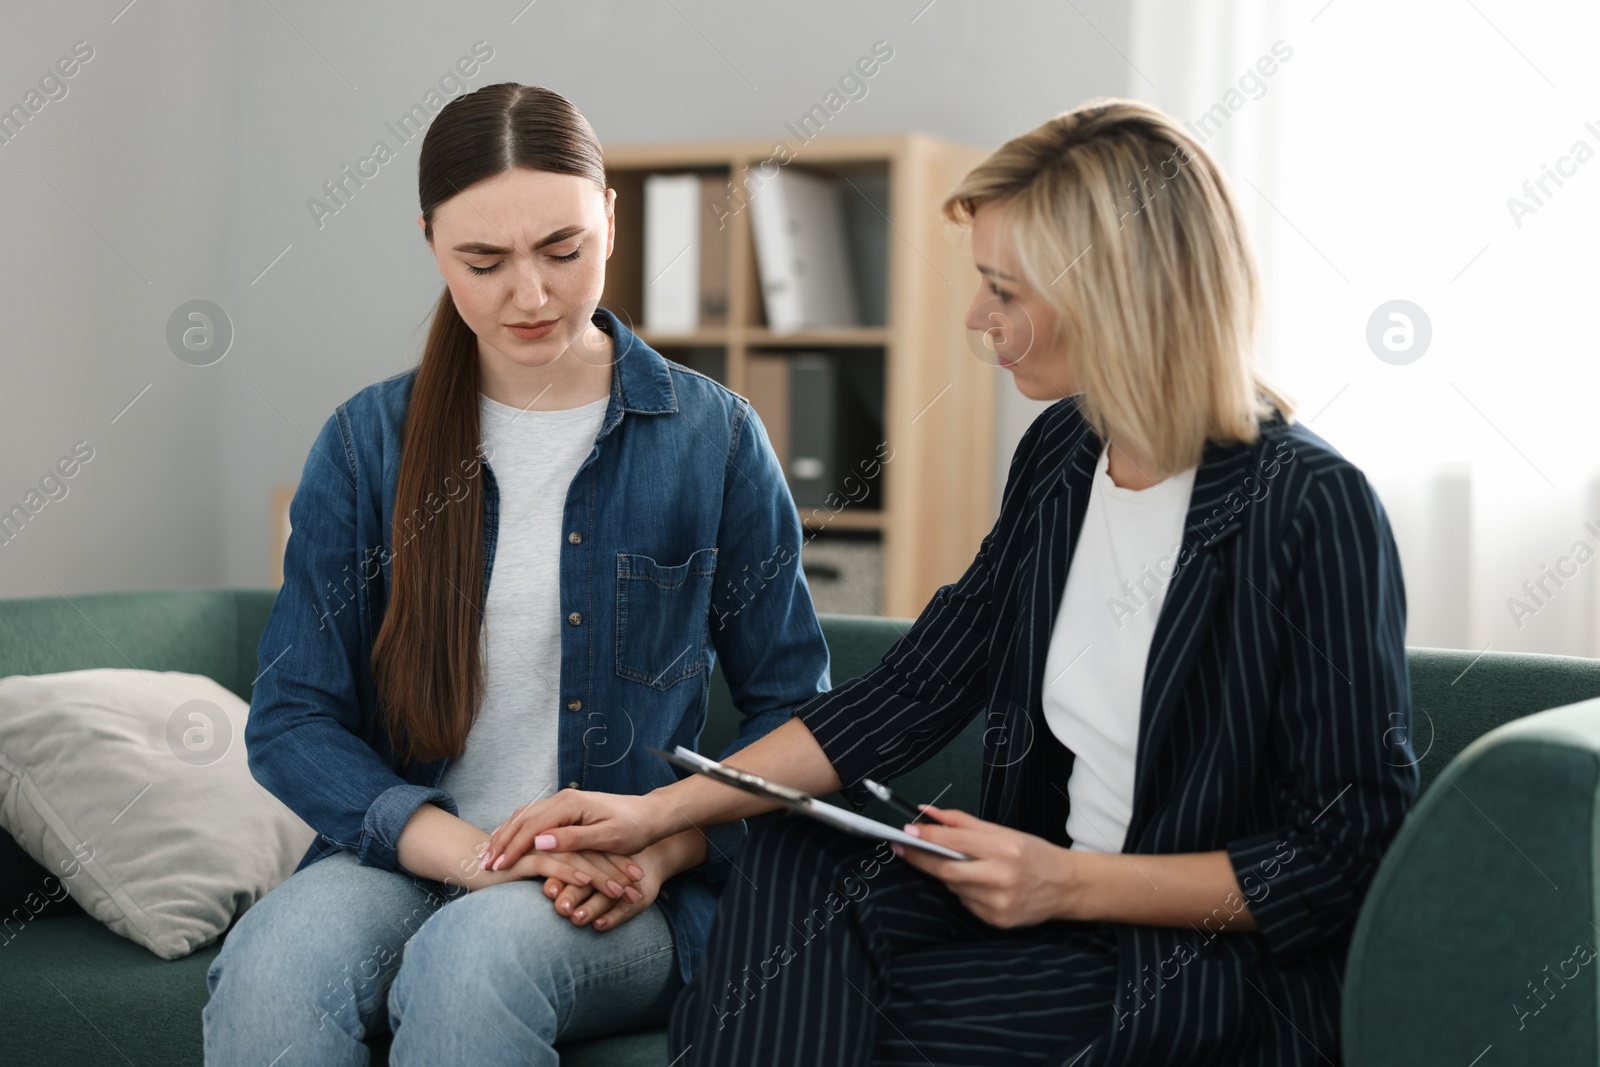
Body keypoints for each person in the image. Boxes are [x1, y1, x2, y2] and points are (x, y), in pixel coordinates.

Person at [483, 98, 1421, 1066]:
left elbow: (1343, 851)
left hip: (1189, 958)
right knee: (791, 849)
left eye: (1002, 290)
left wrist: (1070, 883)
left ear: (1116, 295)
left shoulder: (1308, 502)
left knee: (829, 1021)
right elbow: (920, 683)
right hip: (1037, 913)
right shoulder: (1065, 452)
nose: (977, 319)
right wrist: (653, 812)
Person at [201, 82, 830, 1067]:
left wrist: (663, 848)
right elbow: (292, 714)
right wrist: (468, 855)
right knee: (271, 965)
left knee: (470, 961)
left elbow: (794, 712)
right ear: (429, 241)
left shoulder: (712, 438)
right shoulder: (371, 442)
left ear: (610, 219)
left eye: (562, 250)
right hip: (413, 853)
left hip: (616, 877)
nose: (529, 295)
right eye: (482, 262)